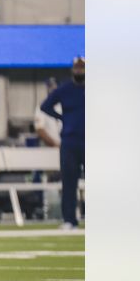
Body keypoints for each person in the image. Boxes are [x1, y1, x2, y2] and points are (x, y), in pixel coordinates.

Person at [40, 57, 85, 230]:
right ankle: (69, 219)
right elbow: (45, 106)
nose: (80, 72)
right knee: (69, 182)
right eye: (77, 68)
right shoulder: (65, 89)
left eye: (82, 68)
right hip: (70, 140)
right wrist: (62, 118)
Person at [34, 77, 63, 148]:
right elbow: (40, 129)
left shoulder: (65, 104)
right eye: (49, 86)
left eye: (54, 86)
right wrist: (54, 144)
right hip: (49, 148)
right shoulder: (41, 106)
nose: (51, 89)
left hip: (67, 147)